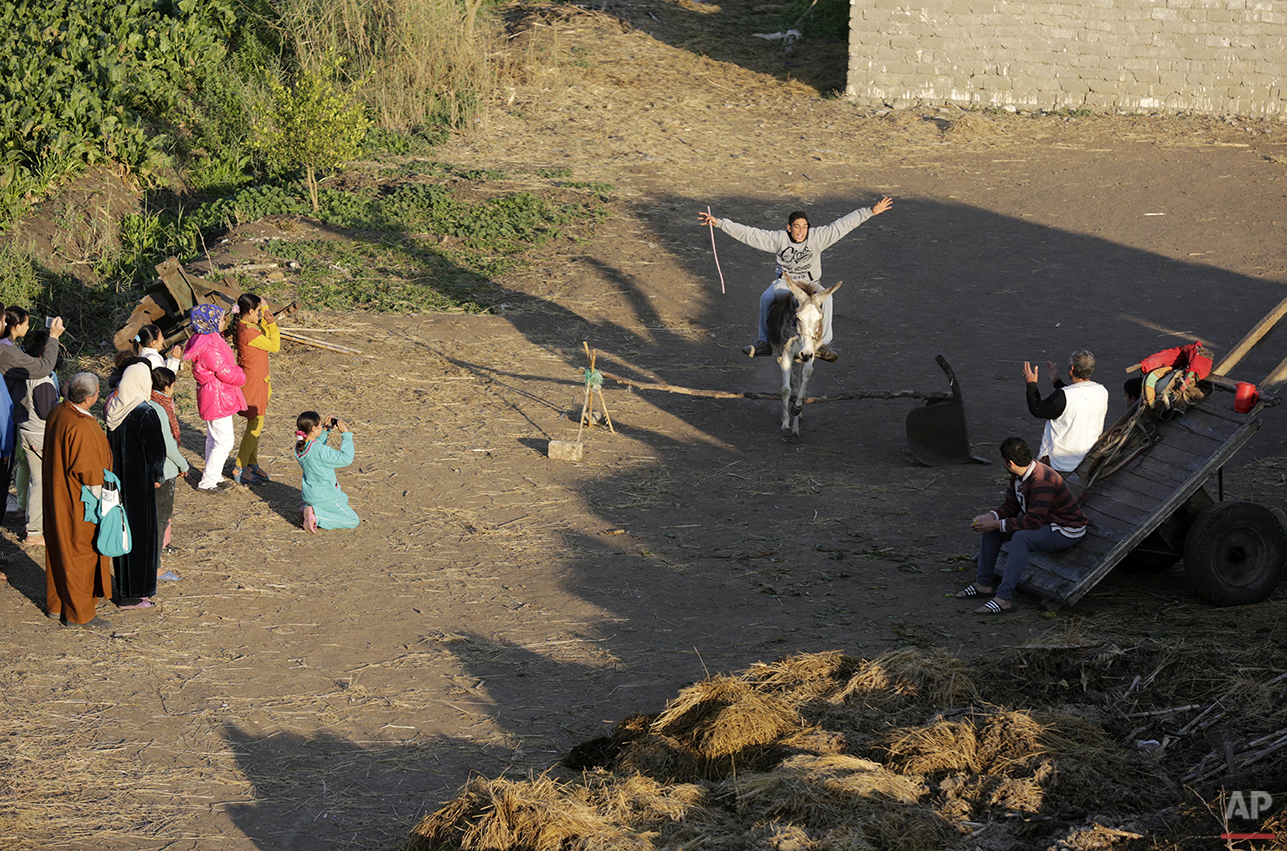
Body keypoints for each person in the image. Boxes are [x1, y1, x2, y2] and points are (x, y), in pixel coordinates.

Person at [698, 197, 893, 361]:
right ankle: (764, 342)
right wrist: (720, 223)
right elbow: (750, 234)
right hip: (786, 283)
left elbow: (842, 225)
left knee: (829, 298)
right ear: (789, 227)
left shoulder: (818, 237)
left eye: (804, 227)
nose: (801, 231)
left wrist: (869, 212)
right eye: (796, 227)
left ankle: (823, 343)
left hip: (811, 283)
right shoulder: (778, 239)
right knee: (766, 298)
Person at [957, 437, 1089, 614]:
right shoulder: (1019, 475)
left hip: (1065, 529)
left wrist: (996, 523)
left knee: (1021, 538)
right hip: (1045, 524)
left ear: (1009, 462)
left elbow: (1033, 522)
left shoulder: (1042, 480)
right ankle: (983, 584)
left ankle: (1003, 599)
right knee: (993, 531)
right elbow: (1011, 506)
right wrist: (989, 517)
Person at [44, 373, 113, 628]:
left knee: (59, 548)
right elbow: (91, 474)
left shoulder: (58, 412)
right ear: (88, 398)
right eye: (97, 393)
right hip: (78, 500)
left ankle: (56, 604)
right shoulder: (82, 426)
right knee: (81, 552)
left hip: (57, 492)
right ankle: (79, 613)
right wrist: (105, 506)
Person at [104, 362, 167, 610]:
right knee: (141, 537)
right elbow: (157, 453)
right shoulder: (145, 412)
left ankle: (124, 588)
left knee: (123, 534)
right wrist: (158, 475)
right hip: (140, 483)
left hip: (117, 482)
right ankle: (136, 594)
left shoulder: (113, 410)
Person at [0, 306, 63, 525]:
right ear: (15, 326)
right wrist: (54, 338)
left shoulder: (10, 349)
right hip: (12, 421)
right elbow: (43, 367)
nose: (28, 326)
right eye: (26, 323)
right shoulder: (7, 352)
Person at [183, 304, 247, 493]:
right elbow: (226, 372)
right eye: (220, 319)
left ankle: (214, 475)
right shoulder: (211, 347)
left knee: (214, 438)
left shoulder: (204, 341)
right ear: (210, 322)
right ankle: (208, 481)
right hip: (218, 397)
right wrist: (241, 375)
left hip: (214, 395)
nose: (224, 321)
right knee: (225, 441)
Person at [1023, 350, 1109, 473]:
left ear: (1071, 368)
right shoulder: (1102, 391)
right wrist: (1057, 382)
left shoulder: (1062, 396)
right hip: (1087, 460)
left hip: (1059, 463)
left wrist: (1031, 384)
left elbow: (1037, 409)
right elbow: (1078, 400)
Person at [14, 326, 61, 546]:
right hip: (39, 434)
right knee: (41, 483)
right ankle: (34, 531)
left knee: (35, 480)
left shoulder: (24, 370)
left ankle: (32, 523)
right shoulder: (42, 378)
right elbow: (47, 412)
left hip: (26, 428)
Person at [232, 294, 281, 484]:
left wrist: (266, 317)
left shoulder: (246, 327)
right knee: (254, 426)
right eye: (259, 311)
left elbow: (264, 337)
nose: (260, 314)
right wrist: (272, 324)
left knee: (256, 424)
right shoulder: (251, 332)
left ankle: (252, 463)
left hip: (257, 381)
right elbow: (274, 345)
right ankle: (240, 466)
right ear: (250, 311)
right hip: (255, 383)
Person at [149, 367, 188, 572]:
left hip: (152, 469)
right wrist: (183, 464)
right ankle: (154, 566)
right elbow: (168, 444)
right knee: (161, 518)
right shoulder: (160, 408)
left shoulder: (147, 402)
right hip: (165, 470)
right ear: (166, 386)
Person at [294, 411, 359, 532]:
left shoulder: (300, 445)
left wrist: (324, 430)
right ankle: (317, 516)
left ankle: (308, 509)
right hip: (325, 497)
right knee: (353, 520)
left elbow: (315, 446)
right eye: (319, 425)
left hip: (311, 494)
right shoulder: (320, 450)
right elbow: (346, 458)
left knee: (343, 498)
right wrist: (346, 435)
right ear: (313, 428)